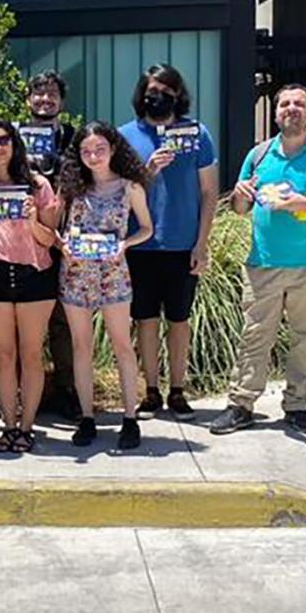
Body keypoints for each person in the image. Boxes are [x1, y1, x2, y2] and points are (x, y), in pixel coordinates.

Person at [210, 84, 306, 437]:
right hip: (263, 262)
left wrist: (301, 204)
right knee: (254, 336)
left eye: (299, 104)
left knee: (305, 338)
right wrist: (240, 195)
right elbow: (240, 208)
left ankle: (296, 407)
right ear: (275, 113)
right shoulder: (259, 155)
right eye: (284, 104)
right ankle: (241, 405)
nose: (291, 109)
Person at [119, 64, 219, 421]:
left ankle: (178, 389)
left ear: (178, 94)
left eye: (165, 88)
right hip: (140, 244)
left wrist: (202, 243)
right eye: (151, 88)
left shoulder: (197, 134)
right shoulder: (125, 135)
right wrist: (147, 171)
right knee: (145, 319)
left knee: (179, 319)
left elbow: (209, 192)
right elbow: (117, 192)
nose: (156, 94)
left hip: (182, 244)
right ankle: (151, 391)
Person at [58, 122, 153, 450]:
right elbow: (58, 227)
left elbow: (147, 228)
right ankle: (87, 418)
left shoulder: (130, 187)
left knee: (122, 345)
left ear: (113, 149)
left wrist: (125, 245)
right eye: (86, 151)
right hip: (75, 274)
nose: (93, 156)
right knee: (81, 347)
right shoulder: (71, 186)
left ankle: (130, 418)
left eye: (99, 149)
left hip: (113, 273)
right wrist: (63, 245)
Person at [0, 119, 59, 454]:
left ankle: (27, 427)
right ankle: (9, 425)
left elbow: (49, 239)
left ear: (14, 142)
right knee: (4, 354)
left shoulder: (37, 185)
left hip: (34, 275)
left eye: (3, 140)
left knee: (32, 354)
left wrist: (32, 218)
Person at [21, 71, 79, 419]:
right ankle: (18, 390)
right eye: (39, 93)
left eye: (52, 93)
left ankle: (66, 389)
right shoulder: (13, 136)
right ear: (28, 99)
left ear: (62, 101)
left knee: (63, 318)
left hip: (64, 241)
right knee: (21, 321)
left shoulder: (73, 137)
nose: (45, 99)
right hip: (22, 240)